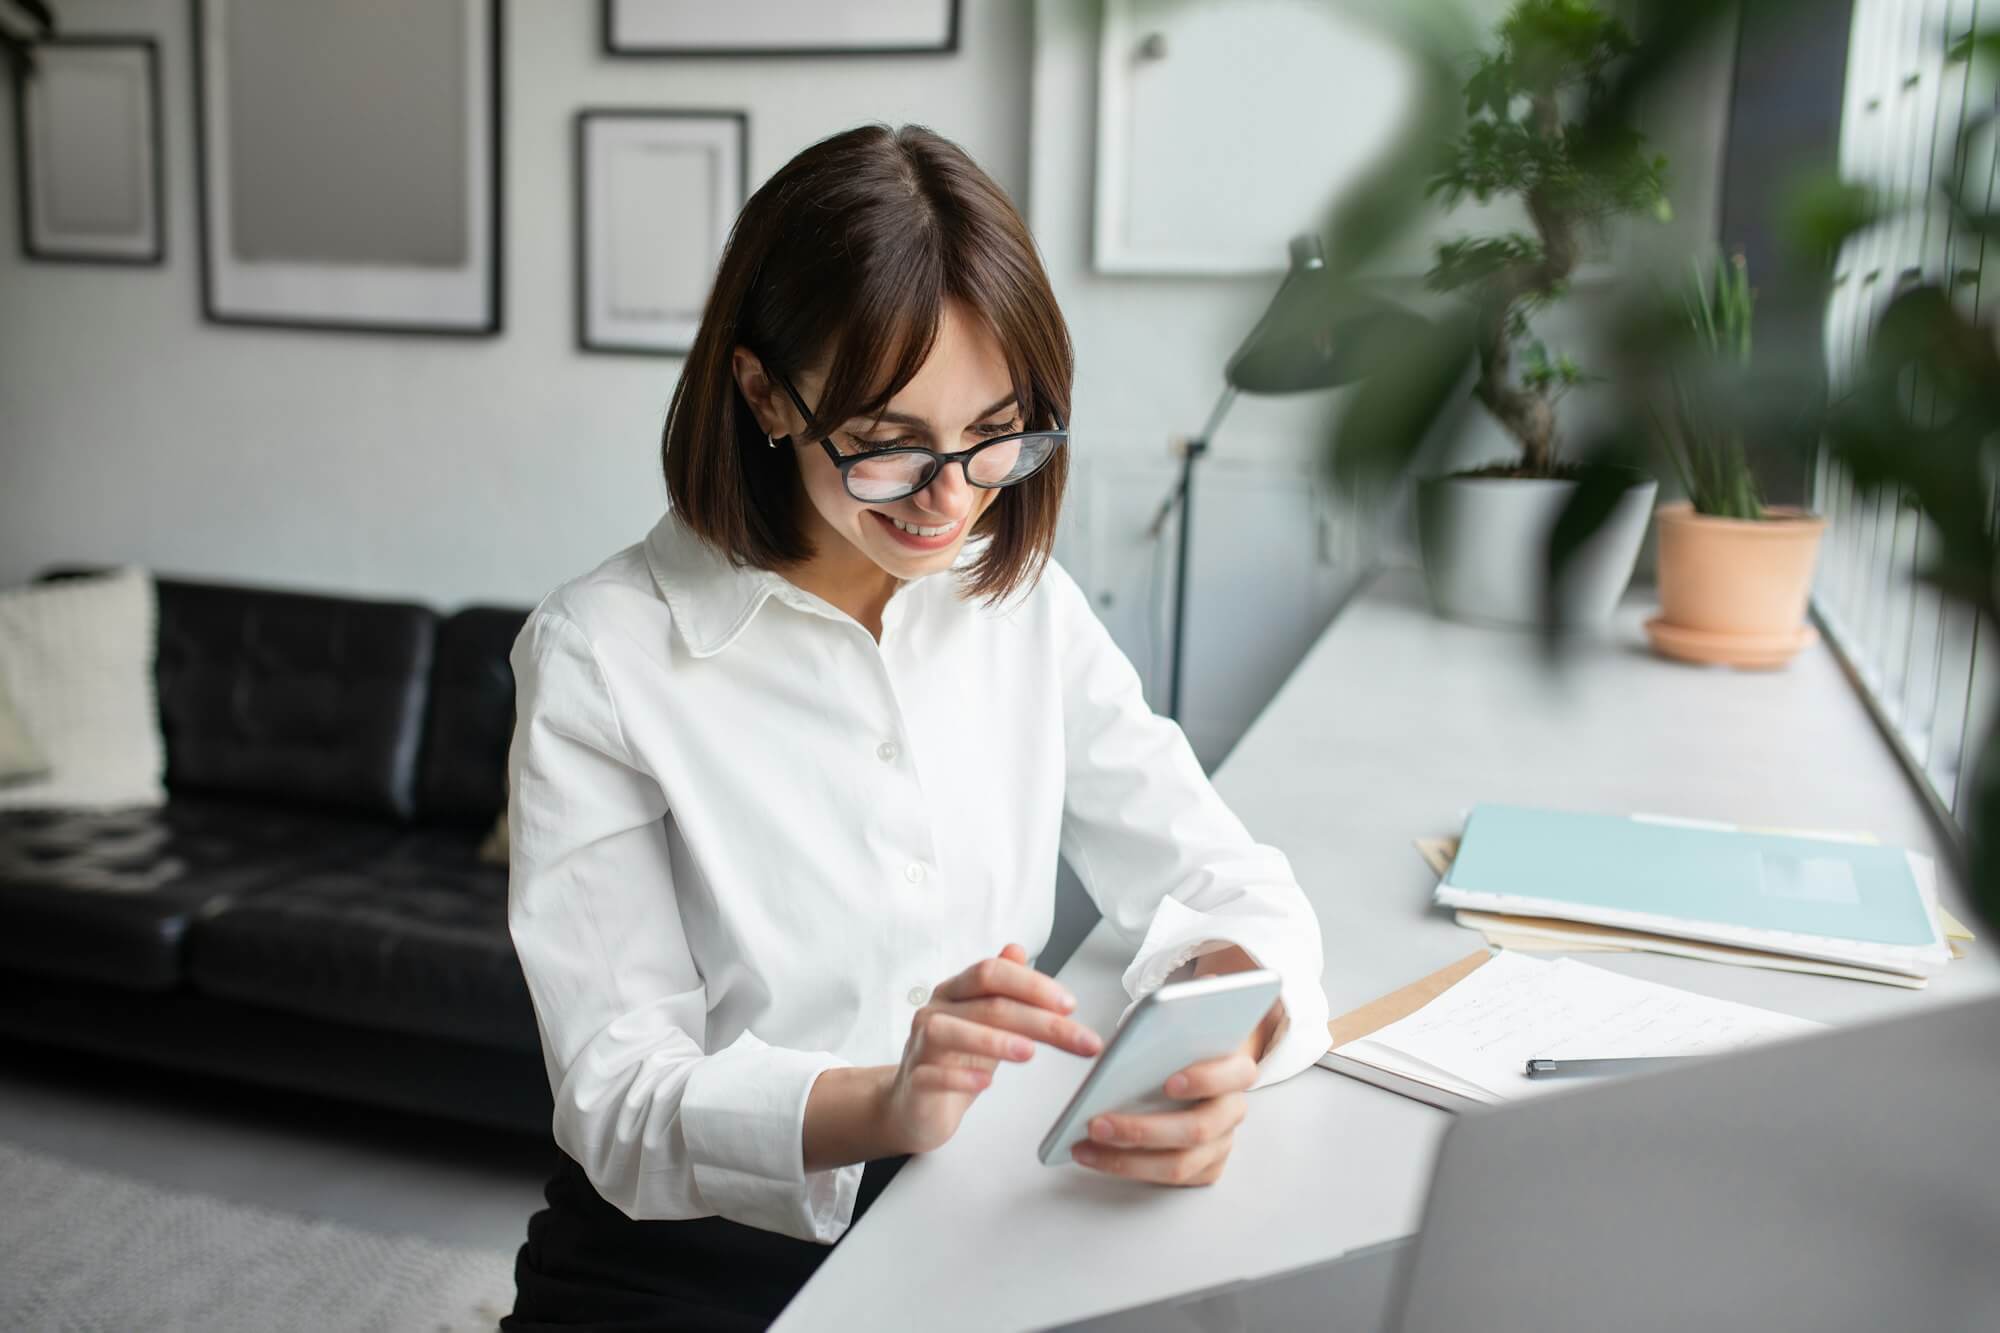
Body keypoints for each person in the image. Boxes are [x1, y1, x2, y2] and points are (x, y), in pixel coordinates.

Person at [500, 122, 1332, 1332]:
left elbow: (1216, 875)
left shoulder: (1020, 603)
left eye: (996, 433)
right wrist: (885, 1100)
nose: (950, 498)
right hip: (686, 1269)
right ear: (762, 395)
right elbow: (619, 1098)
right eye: (888, 445)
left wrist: (1226, 1039)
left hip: (966, 1221)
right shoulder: (602, 655)